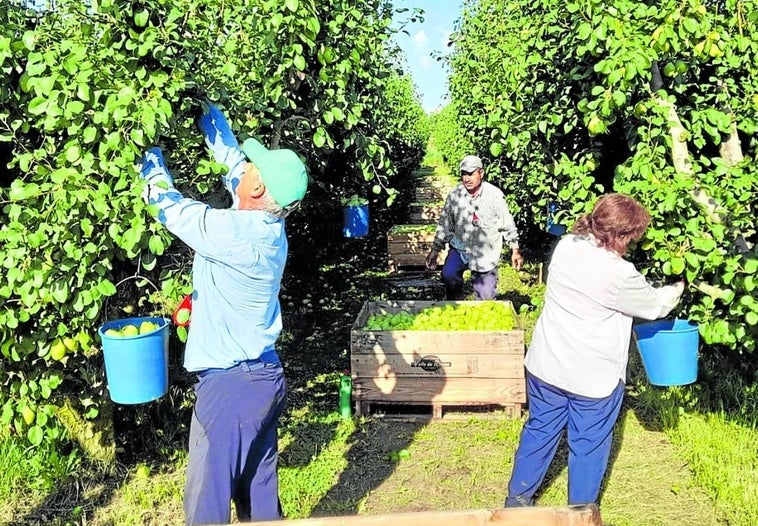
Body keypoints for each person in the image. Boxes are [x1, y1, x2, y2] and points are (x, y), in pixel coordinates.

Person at [138, 103, 308, 525]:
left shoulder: (237, 233)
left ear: (256, 188)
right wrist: (208, 114)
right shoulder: (270, 218)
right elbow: (235, 164)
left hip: (232, 386)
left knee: (207, 505)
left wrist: (147, 153)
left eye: (256, 166)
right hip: (262, 378)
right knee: (259, 499)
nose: (247, 165)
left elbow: (168, 207)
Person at [504, 193, 685, 508]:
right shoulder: (620, 274)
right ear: (619, 235)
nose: (632, 244)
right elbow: (655, 306)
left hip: (546, 365)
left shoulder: (566, 247)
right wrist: (677, 288)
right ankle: (580, 513)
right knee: (588, 445)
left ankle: (517, 503)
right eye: (631, 237)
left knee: (539, 430)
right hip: (592, 379)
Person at [425, 154, 523, 300]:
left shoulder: (494, 195)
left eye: (471, 174)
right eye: (464, 174)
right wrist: (435, 250)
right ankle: (455, 305)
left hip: (485, 252)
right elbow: (445, 224)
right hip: (460, 248)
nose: (466, 178)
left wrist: (515, 249)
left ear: (481, 173)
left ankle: (482, 310)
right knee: (449, 274)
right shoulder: (455, 195)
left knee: (486, 298)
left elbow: (507, 223)